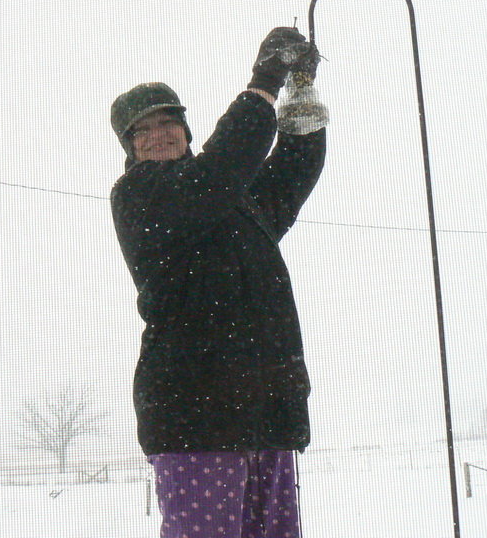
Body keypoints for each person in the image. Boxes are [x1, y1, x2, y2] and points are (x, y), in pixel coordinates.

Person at [110, 27, 326, 538]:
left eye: (170, 123)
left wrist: (301, 95)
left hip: (266, 412)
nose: (160, 134)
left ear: (187, 131)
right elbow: (223, 166)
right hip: (195, 420)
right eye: (144, 130)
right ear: (130, 147)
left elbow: (289, 176)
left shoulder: (230, 200)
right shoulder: (141, 196)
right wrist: (263, 82)